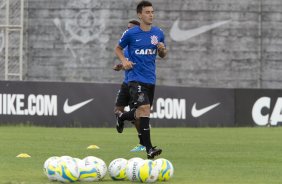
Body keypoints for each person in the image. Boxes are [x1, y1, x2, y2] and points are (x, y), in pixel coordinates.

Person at [114, 0, 167, 159]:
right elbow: (118, 48)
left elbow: (163, 55)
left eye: (152, 12)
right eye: (147, 12)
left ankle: (122, 116)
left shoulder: (158, 33)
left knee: (142, 113)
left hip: (150, 79)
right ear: (140, 14)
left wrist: (163, 50)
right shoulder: (131, 33)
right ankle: (149, 149)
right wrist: (124, 61)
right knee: (144, 110)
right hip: (135, 79)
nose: (151, 15)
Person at [113, 20, 146, 152]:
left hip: (137, 84)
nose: (127, 30)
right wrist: (120, 66)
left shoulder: (142, 47)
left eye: (130, 28)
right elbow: (127, 63)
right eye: (127, 28)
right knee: (117, 110)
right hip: (126, 83)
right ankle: (121, 119)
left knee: (138, 115)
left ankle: (142, 143)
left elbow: (142, 64)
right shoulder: (125, 47)